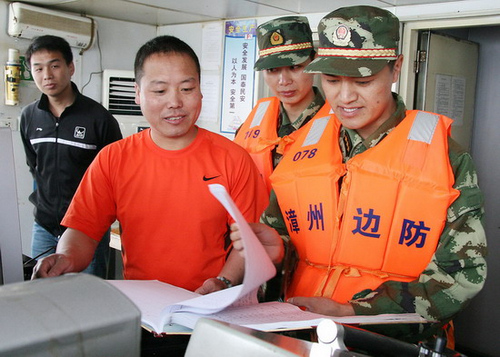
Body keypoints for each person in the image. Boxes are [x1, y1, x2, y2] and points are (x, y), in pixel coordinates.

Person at [231, 5, 487, 344]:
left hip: (392, 345)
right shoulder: (303, 145)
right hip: (301, 334)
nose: (345, 97)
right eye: (333, 80)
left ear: (395, 68)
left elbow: (464, 274)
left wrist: (355, 312)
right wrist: (274, 253)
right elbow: (285, 237)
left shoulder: (446, 157)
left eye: (363, 81)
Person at [32, 35, 269, 296]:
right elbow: (83, 229)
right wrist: (64, 257)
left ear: (200, 90)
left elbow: (248, 241)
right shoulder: (114, 159)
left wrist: (224, 282)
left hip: (210, 308)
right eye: (159, 91)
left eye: (186, 89)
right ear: (138, 93)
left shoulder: (233, 159)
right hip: (143, 311)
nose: (175, 102)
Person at [233, 16, 330, 300]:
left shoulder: (339, 125)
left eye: (295, 67)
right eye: (273, 70)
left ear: (313, 63)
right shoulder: (255, 119)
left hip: (307, 265)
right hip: (251, 259)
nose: (284, 80)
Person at [20, 35, 123, 278]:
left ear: (71, 67)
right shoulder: (28, 117)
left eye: (55, 65)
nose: (47, 74)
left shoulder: (99, 118)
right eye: (39, 68)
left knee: (85, 303)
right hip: (44, 225)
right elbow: (35, 167)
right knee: (40, 296)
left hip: (87, 230)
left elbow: (115, 177)